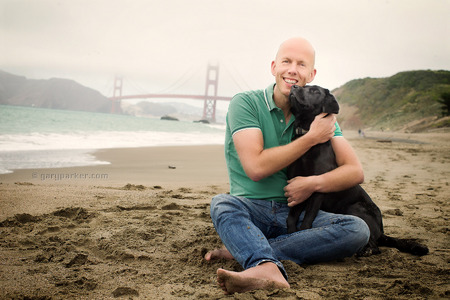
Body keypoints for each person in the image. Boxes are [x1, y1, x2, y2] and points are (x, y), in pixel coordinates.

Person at [205, 37, 370, 295]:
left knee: (357, 229)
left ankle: (251, 252)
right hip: (251, 209)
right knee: (222, 203)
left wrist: (312, 184)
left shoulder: (318, 115)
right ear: (274, 67)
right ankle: (262, 261)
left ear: (311, 74)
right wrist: (312, 138)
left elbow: (355, 171)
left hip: (293, 213)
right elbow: (256, 168)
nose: (293, 69)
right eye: (286, 61)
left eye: (301, 64)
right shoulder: (246, 103)